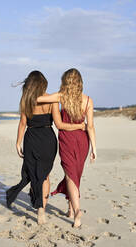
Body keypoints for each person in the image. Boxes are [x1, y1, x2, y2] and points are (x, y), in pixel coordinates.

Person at [6, 70, 85, 225]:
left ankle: (40, 209)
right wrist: (79, 126)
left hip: (31, 139)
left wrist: (17, 142)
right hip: (48, 139)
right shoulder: (52, 100)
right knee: (45, 175)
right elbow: (58, 124)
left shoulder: (26, 100)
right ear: (43, 84)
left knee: (35, 174)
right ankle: (43, 206)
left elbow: (22, 123)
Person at [37, 68, 97, 228]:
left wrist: (33, 90)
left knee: (71, 175)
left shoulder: (61, 96)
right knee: (74, 174)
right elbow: (90, 127)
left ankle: (77, 211)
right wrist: (94, 148)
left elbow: (39, 98)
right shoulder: (88, 100)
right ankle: (70, 209)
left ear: (65, 82)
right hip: (83, 142)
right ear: (80, 82)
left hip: (67, 139)